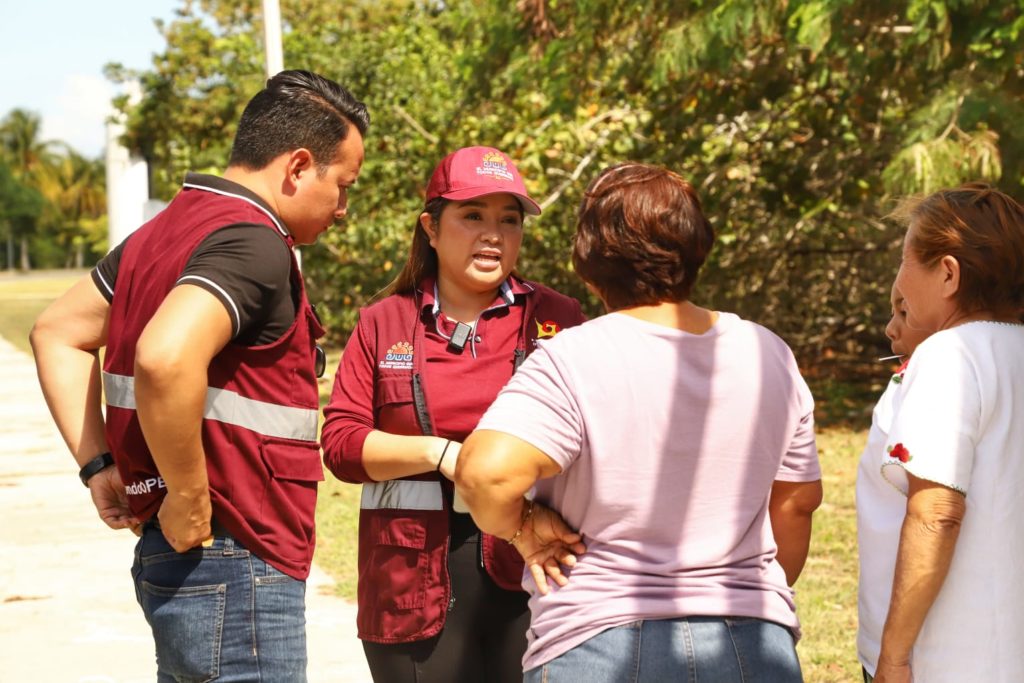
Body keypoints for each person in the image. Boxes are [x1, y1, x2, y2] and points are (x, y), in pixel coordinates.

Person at [29, 70, 368, 681]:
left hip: (183, 559)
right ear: (297, 167)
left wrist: (98, 466)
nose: (343, 209)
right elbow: (165, 357)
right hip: (237, 554)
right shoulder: (255, 243)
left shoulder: (162, 233)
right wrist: (187, 498)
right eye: (342, 185)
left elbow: (57, 332)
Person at [455, 162, 824, 682]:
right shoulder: (769, 354)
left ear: (588, 262)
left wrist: (523, 529)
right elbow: (799, 501)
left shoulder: (573, 358)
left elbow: (485, 474)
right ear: (701, 248)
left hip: (600, 640)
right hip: (751, 641)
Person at [320, 145, 585, 682]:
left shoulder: (557, 318)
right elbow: (342, 445)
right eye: (473, 216)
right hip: (408, 582)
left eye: (509, 220)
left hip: (534, 571)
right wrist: (442, 455)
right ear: (431, 228)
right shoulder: (383, 322)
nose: (494, 234)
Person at [857, 183, 1024, 683]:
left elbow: (937, 512)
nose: (899, 278)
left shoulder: (950, 355)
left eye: (907, 257)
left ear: (947, 273)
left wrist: (894, 656)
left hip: (948, 657)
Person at [855, 283, 932, 681]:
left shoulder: (939, 385)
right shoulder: (905, 383)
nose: (889, 328)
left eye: (905, 312)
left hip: (920, 652)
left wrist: (896, 654)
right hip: (886, 632)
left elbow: (935, 515)